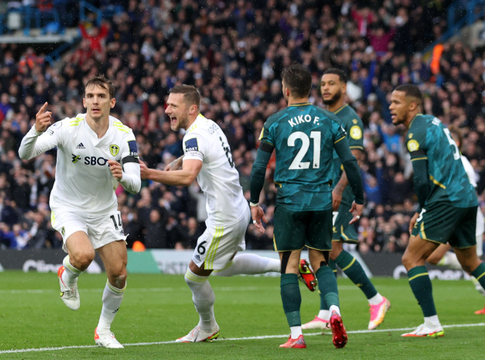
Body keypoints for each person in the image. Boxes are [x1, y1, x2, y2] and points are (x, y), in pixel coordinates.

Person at [139, 85, 293, 343]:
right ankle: (286, 266)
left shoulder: (193, 137)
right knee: (224, 267)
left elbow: (188, 177)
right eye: (167, 104)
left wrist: (149, 174)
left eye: (173, 106)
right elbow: (203, 152)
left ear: (192, 108)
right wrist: (180, 159)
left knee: (193, 278)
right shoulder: (209, 125)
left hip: (224, 219)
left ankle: (207, 326)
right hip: (238, 208)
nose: (167, 110)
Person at [391, 84, 485, 337]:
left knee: (411, 259)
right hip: (467, 198)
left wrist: (421, 210)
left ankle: (431, 324)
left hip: (446, 199)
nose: (390, 107)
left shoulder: (415, 132)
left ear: (412, 105)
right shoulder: (435, 122)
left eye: (396, 102)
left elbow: (420, 180)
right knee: (471, 261)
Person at [18, 76, 141, 348]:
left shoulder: (124, 134)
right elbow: (25, 154)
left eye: (101, 96)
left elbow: (135, 183)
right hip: (68, 205)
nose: (95, 101)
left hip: (104, 209)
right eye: (90, 96)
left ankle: (104, 331)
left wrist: (122, 177)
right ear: (84, 101)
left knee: (119, 273)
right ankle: (68, 274)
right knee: (83, 256)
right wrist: (34, 131)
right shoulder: (67, 128)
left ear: (111, 102)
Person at [249, 64, 365, 349]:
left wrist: (254, 201)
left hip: (290, 200)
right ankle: (334, 311)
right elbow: (350, 162)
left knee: (289, 264)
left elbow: (259, 168)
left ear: (286, 90)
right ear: (310, 89)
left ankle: (296, 335)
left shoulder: (275, 122)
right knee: (321, 261)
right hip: (321, 200)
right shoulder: (329, 120)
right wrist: (359, 198)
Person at [302, 68, 390, 332]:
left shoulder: (350, 119)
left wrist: (340, 189)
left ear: (344, 87)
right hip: (322, 189)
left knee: (333, 249)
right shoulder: (323, 116)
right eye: (323, 84)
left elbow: (354, 158)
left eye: (332, 84)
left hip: (339, 190)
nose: (325, 88)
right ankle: (325, 312)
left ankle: (376, 299)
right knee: (319, 250)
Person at [425, 126, 485, 315]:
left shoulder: (462, 163)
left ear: (455, 143)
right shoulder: (443, 162)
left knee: (463, 264)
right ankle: (484, 277)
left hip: (464, 218)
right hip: (452, 217)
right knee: (435, 257)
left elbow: (468, 193)